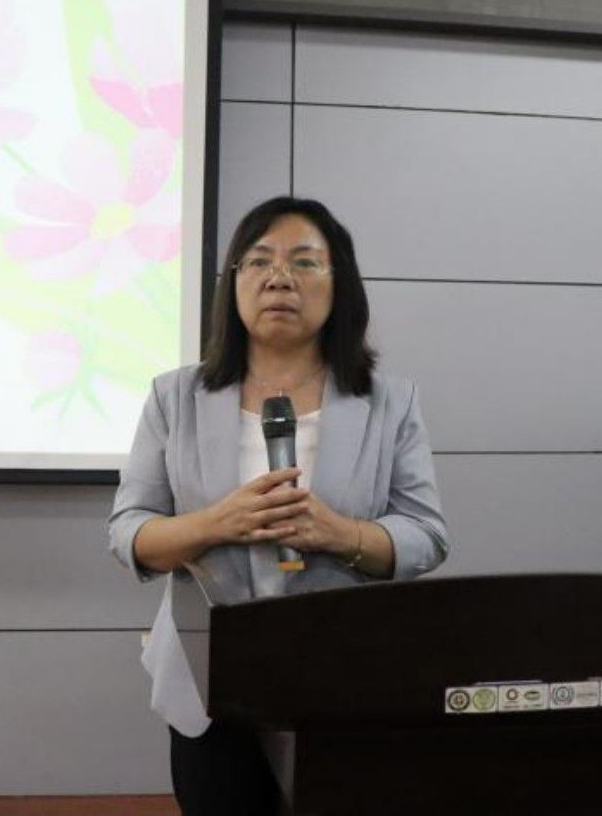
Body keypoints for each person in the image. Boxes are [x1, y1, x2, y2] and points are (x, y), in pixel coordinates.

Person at [108, 196, 449, 816]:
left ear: (339, 284)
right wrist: (216, 524)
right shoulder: (174, 397)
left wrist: (341, 533)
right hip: (209, 684)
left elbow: (426, 535)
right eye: (259, 260)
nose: (279, 277)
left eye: (304, 262)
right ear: (234, 284)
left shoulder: (389, 402)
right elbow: (130, 533)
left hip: (345, 683)